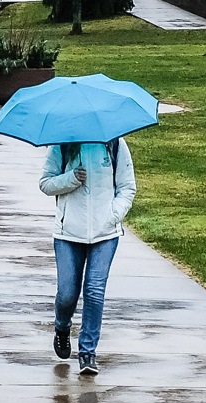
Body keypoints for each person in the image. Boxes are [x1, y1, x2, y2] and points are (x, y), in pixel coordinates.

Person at [38, 138, 136, 375]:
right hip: (68, 233)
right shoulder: (62, 145)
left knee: (94, 290)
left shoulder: (114, 144)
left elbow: (127, 187)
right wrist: (70, 178)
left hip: (105, 233)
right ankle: (62, 327)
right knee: (67, 293)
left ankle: (87, 352)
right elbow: (45, 184)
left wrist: (114, 214)